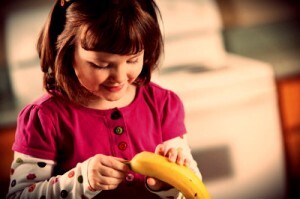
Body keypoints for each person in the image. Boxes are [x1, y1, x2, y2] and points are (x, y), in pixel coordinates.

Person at [7, 0, 202, 198]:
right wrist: (82, 180)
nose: (119, 77)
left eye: (133, 60)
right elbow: (18, 196)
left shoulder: (163, 104)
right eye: (101, 65)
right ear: (67, 53)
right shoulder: (43, 118)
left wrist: (166, 186)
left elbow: (193, 188)